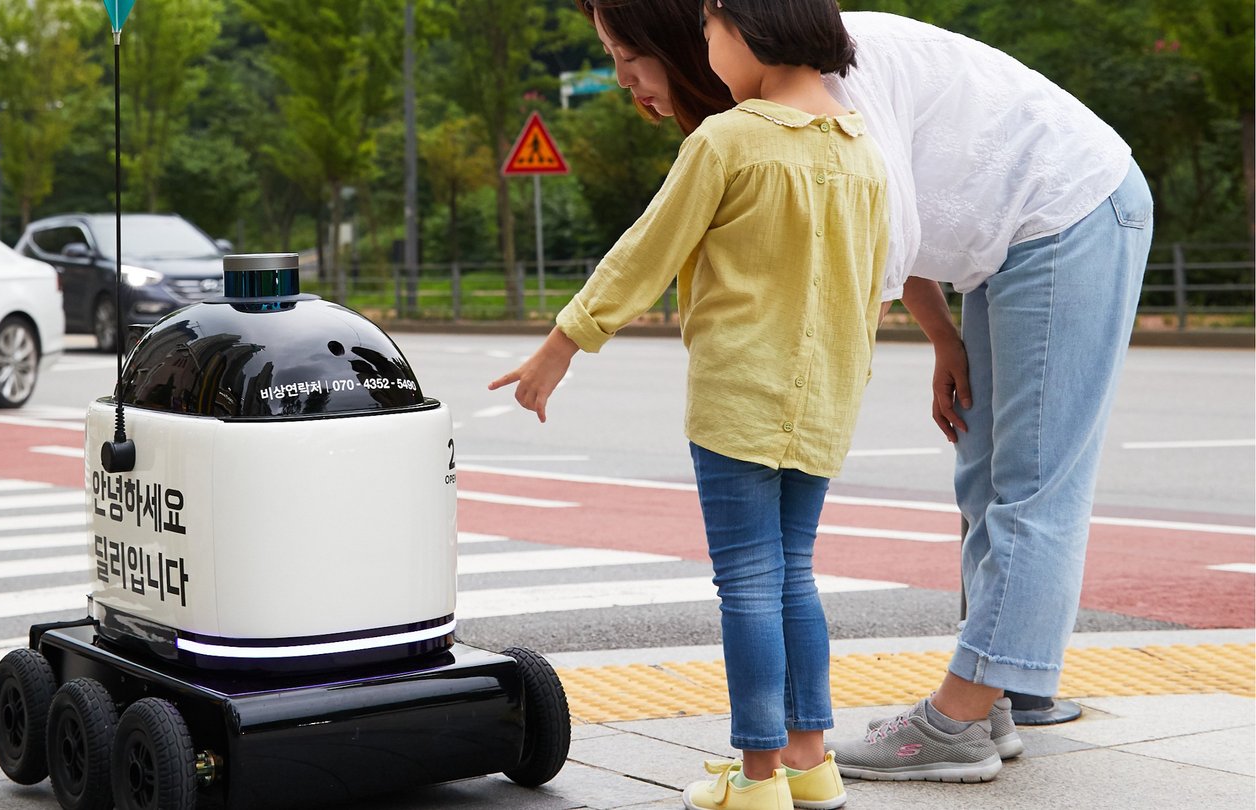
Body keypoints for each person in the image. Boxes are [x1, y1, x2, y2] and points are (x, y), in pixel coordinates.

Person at [570, 0, 1155, 788]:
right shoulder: (770, 99)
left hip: (1069, 206)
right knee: (984, 478)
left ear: (690, 37)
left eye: (626, 55)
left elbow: (875, 227)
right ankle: (989, 699)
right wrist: (943, 336)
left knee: (1033, 487)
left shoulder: (830, 68)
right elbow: (881, 206)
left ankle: (958, 721)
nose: (623, 81)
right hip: (1003, 245)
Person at [491, 3, 884, 808]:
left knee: (745, 580)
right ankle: (813, 762)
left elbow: (647, 249)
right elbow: (871, 291)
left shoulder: (729, 141)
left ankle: (760, 776)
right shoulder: (863, 150)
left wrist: (563, 342)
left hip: (739, 397)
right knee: (794, 576)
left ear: (750, 30)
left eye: (710, 32)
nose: (705, 49)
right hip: (826, 401)